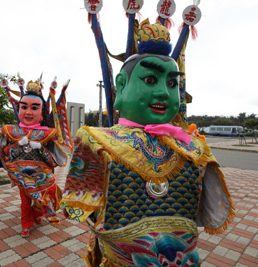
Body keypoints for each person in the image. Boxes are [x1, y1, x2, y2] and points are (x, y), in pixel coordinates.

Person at [61, 18, 234, 266]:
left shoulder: (194, 148)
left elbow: (206, 212)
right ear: (121, 86)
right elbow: (78, 207)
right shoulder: (96, 141)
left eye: (172, 83)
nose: (164, 92)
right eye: (150, 80)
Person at [0, 80, 67, 238]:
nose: (28, 112)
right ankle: (26, 225)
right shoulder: (11, 132)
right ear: (18, 108)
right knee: (24, 202)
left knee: (43, 199)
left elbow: (52, 161)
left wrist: (40, 148)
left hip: (42, 176)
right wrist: (18, 146)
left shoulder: (48, 133)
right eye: (24, 107)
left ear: (42, 112)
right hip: (21, 175)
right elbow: (7, 156)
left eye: (34, 107)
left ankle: (37, 215)